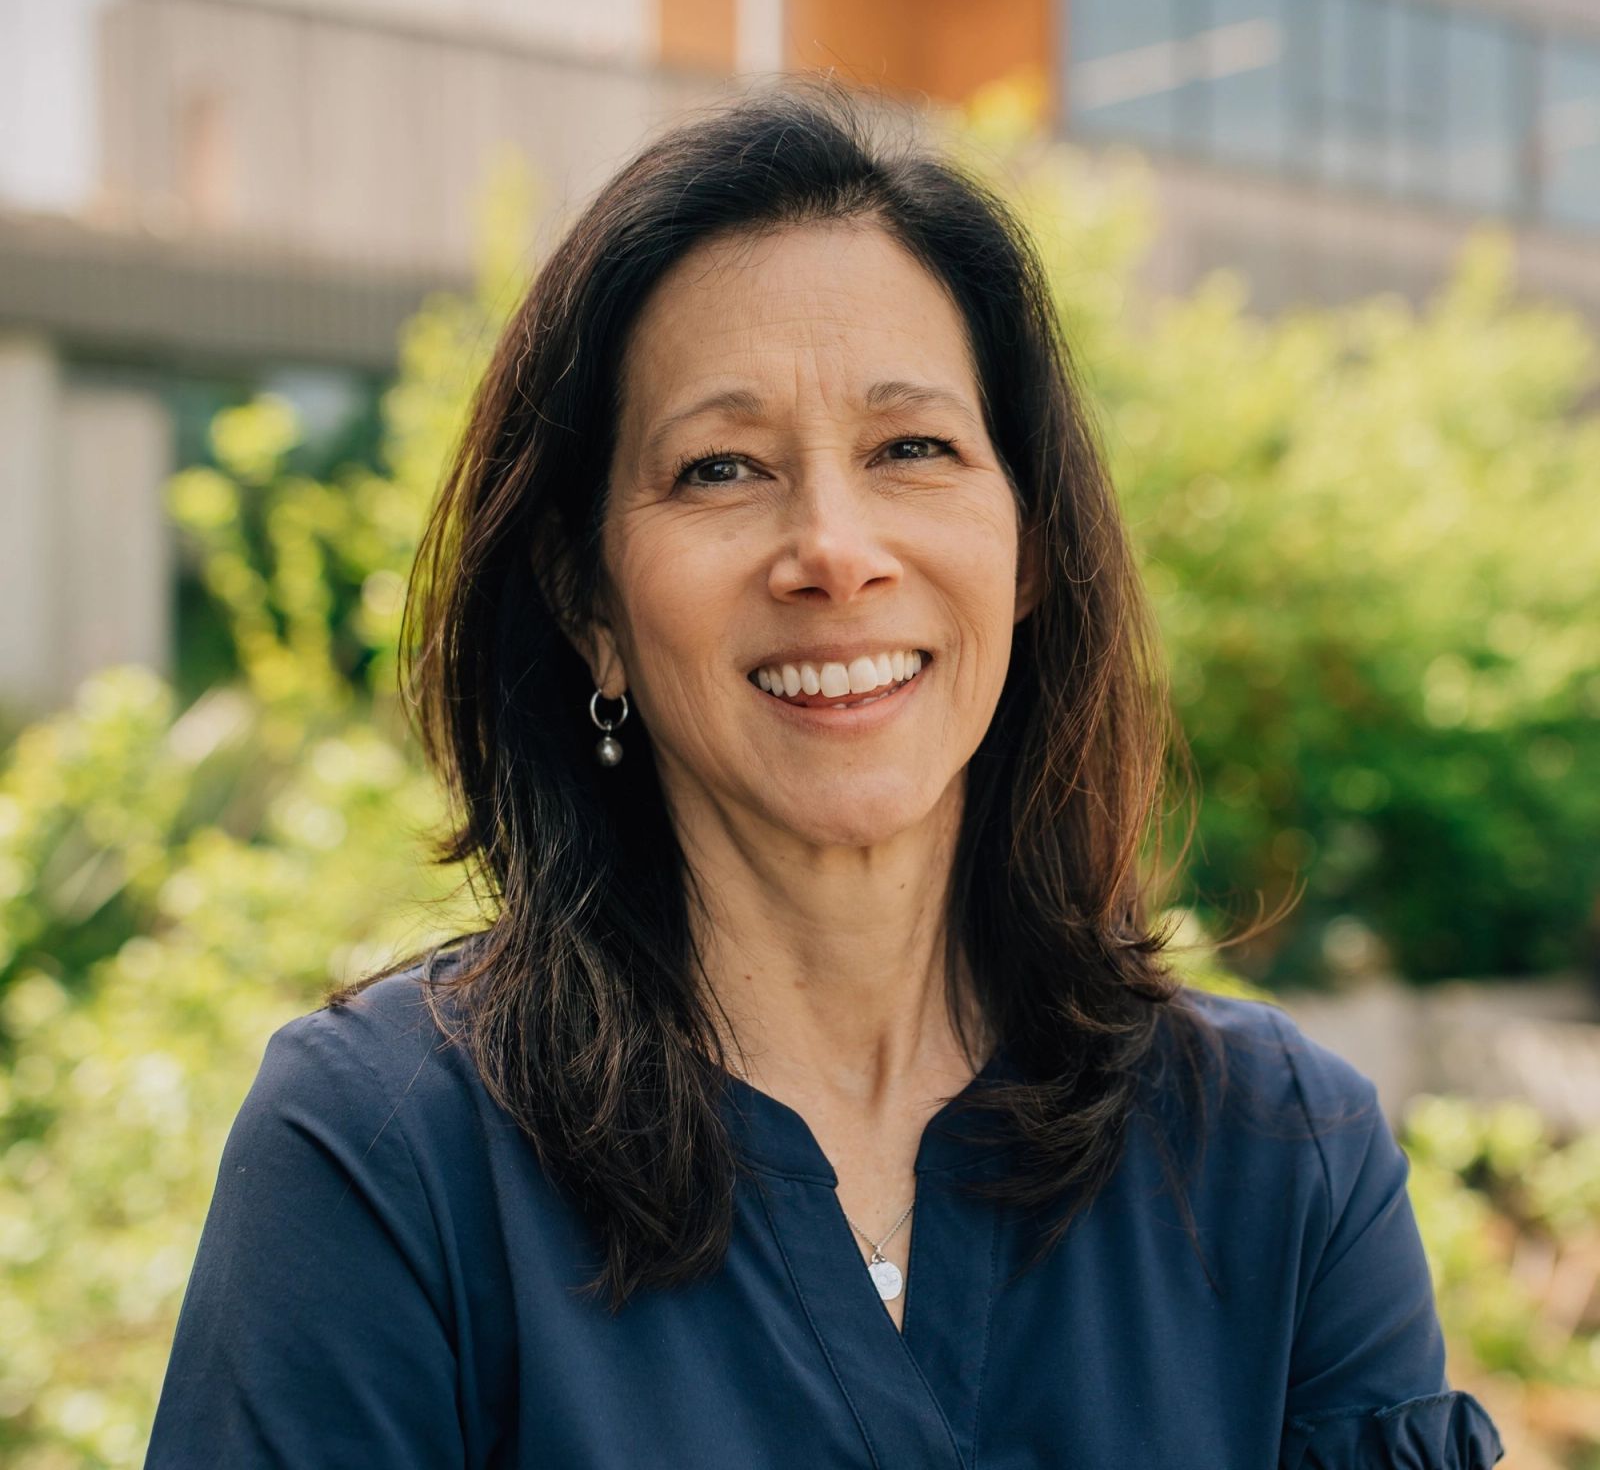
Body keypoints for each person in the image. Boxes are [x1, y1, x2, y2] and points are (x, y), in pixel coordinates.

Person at [144, 82, 1504, 1468]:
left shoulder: (1284, 1153)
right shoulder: (390, 1155)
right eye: (721, 469)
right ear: (589, 600)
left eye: (912, 448)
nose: (833, 549)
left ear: (1028, 545)